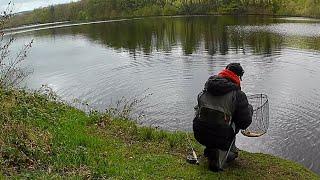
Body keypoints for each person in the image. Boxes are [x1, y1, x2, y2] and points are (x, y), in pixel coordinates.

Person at [193, 63, 253, 172]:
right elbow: (244, 123)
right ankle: (224, 155)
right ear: (238, 77)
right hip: (222, 135)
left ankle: (211, 149)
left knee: (215, 120)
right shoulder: (238, 94)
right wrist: (249, 110)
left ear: (224, 72)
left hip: (199, 133)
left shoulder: (207, 87)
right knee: (240, 116)